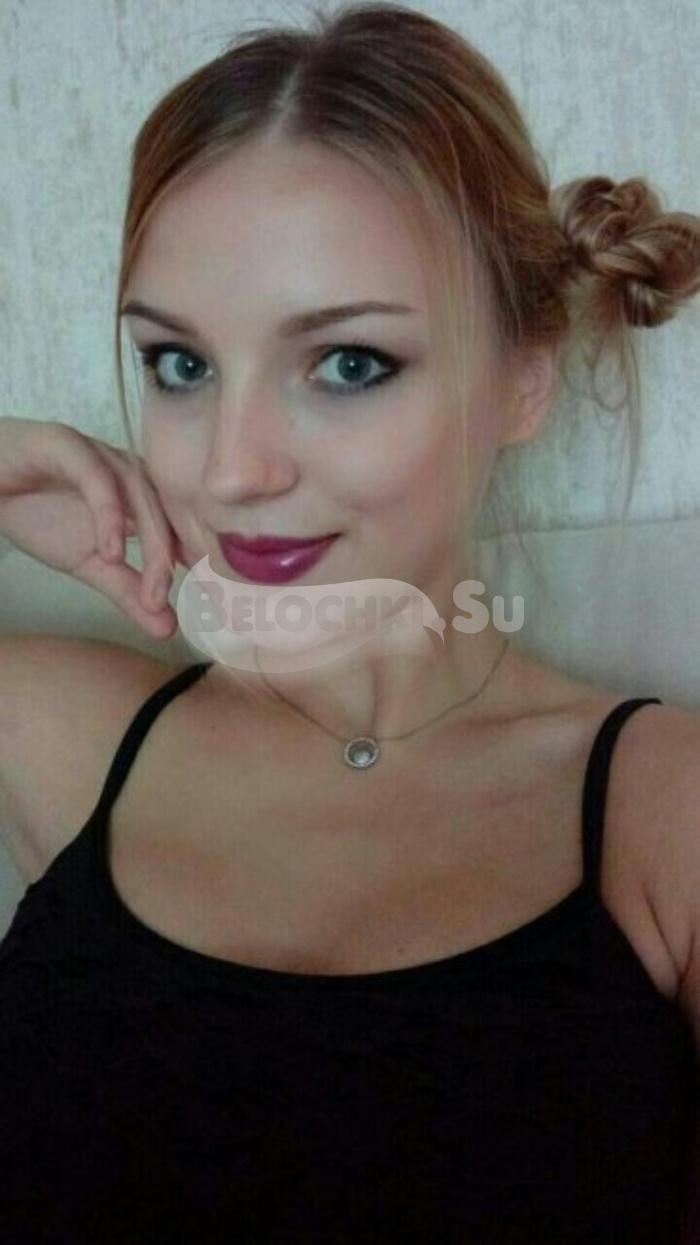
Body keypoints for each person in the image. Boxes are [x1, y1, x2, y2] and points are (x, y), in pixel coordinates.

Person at [0, 3, 698, 1240]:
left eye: (348, 364)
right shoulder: (67, 734)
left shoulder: (663, 814)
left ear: (524, 376)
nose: (231, 471)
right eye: (179, 365)